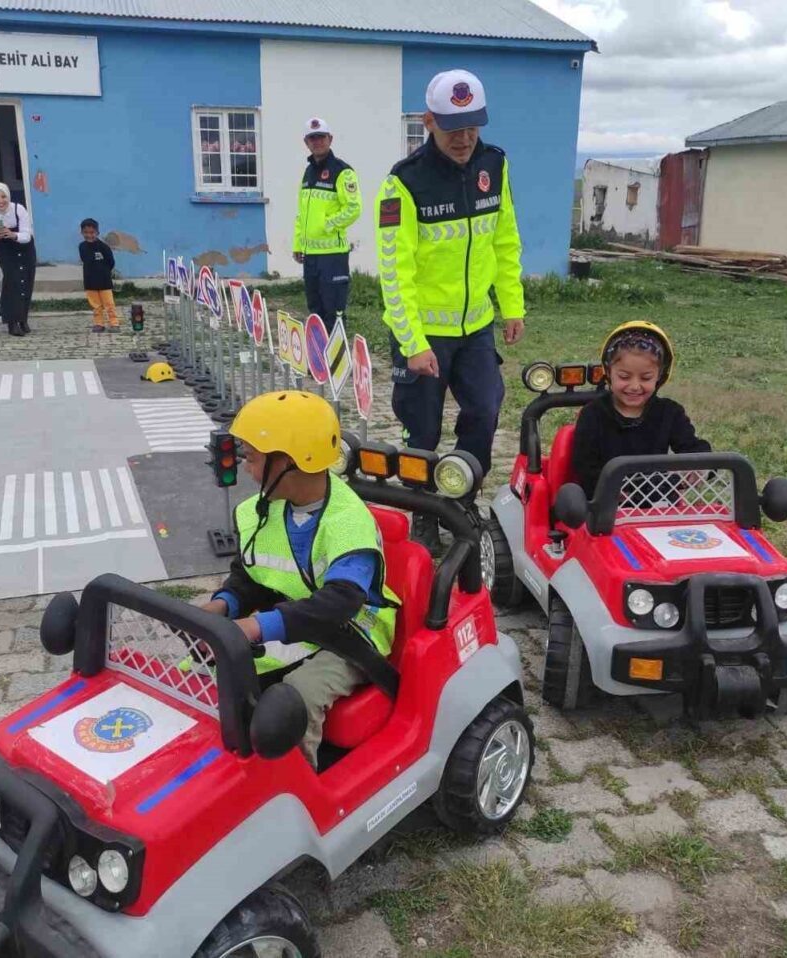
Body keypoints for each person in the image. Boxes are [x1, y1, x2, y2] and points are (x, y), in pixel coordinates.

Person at [201, 390, 398, 767]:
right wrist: (224, 603)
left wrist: (257, 627)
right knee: (218, 670)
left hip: (352, 633)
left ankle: (295, 794)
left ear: (287, 463)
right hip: (298, 622)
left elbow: (341, 600)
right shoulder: (266, 509)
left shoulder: (347, 522)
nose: (246, 467)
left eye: (252, 458)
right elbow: (252, 573)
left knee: (298, 697)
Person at [376, 69, 525, 552]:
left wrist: (512, 306)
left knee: (484, 409)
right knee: (422, 429)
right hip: (424, 334)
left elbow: (505, 241)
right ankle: (422, 511)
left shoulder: (494, 166)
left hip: (476, 327)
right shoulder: (404, 183)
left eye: (472, 126)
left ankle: (460, 498)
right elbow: (394, 273)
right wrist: (413, 343)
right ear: (428, 122)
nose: (463, 139)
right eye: (452, 127)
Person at [571, 322, 710, 497]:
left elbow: (692, 447)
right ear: (608, 372)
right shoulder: (593, 415)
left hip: (658, 506)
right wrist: (617, 490)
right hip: (605, 506)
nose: (635, 386)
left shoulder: (670, 413)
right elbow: (585, 467)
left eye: (646, 378)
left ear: (659, 376)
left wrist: (698, 465)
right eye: (624, 376)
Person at [293, 117, 362, 332]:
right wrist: (298, 244)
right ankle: (319, 362)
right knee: (315, 313)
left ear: (330, 139)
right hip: (310, 256)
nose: (317, 142)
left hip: (333, 256)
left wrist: (327, 225)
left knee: (334, 313)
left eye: (321, 137)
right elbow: (302, 214)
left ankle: (336, 363)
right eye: (312, 138)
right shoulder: (308, 172)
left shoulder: (343, 171)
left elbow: (353, 208)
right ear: (306, 142)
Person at [0, 182, 35, 337]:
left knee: (26, 282)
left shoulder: (19, 209)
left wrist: (12, 234)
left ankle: (23, 319)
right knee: (12, 281)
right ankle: (12, 322)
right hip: (5, 250)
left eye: (3, 196)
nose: (0, 201)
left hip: (24, 248)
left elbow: (27, 235)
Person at [78, 218, 117, 332]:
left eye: (92, 233)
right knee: (96, 305)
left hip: (104, 281)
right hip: (90, 282)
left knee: (109, 304)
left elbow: (111, 262)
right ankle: (99, 324)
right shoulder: (82, 247)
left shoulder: (103, 247)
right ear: (81, 233)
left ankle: (114, 323)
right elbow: (84, 260)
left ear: (97, 232)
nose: (89, 235)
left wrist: (104, 272)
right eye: (86, 233)